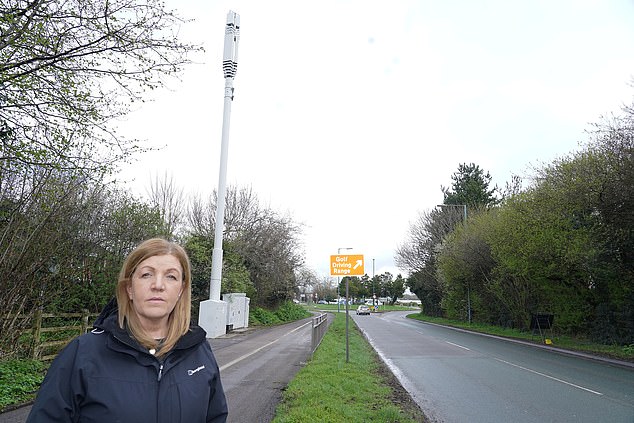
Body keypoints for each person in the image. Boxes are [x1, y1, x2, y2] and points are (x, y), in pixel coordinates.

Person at [27, 238, 228, 422]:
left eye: (171, 277)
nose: (158, 285)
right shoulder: (83, 354)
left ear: (181, 290)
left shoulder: (200, 352)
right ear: (129, 288)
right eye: (146, 274)